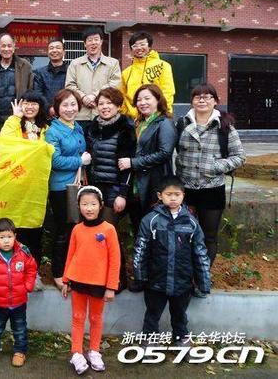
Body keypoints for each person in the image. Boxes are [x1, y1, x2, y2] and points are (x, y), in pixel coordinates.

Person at [175, 84, 245, 295]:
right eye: (197, 97)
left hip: (212, 189)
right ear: (192, 101)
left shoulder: (225, 127)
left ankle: (201, 276)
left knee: (209, 236)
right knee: (183, 234)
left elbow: (239, 156)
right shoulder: (182, 123)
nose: (202, 100)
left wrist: (215, 166)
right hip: (186, 189)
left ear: (215, 101)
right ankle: (184, 275)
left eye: (207, 97)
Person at [132, 176, 211, 344]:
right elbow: (140, 248)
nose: (173, 198)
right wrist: (140, 276)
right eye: (169, 194)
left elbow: (200, 252)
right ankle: (149, 341)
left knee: (180, 315)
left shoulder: (191, 222)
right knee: (152, 314)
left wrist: (203, 281)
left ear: (183, 195)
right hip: (156, 281)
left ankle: (181, 340)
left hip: (182, 281)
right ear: (160, 196)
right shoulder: (150, 220)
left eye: (177, 194)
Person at [61, 186, 120, 374]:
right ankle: (76, 353)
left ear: (101, 205)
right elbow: (70, 255)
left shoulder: (109, 229)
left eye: (93, 204)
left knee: (95, 318)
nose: (89, 208)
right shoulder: (77, 229)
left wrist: (111, 287)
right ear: (78, 206)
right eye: (84, 204)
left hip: (99, 283)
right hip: (77, 280)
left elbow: (115, 260)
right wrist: (65, 280)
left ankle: (94, 351)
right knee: (77, 317)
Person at [85, 87, 136, 289]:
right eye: (101, 103)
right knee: (95, 235)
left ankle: (118, 279)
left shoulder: (125, 127)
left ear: (118, 106)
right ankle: (99, 276)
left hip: (114, 188)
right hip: (95, 187)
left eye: (109, 103)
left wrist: (122, 193)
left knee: (108, 233)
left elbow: (127, 164)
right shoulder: (92, 126)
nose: (105, 107)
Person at [0, 90, 49, 289]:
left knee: (35, 231)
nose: (30, 107)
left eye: (34, 103)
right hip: (16, 187)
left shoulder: (46, 128)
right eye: (26, 103)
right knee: (15, 231)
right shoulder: (13, 125)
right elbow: (4, 142)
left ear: (40, 107)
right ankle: (13, 273)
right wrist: (15, 117)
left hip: (37, 188)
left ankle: (33, 274)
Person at [45, 89, 91, 290]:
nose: (70, 109)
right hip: (61, 187)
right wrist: (79, 161)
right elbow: (54, 161)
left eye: (73, 104)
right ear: (57, 108)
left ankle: (73, 269)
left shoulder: (77, 127)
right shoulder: (53, 131)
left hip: (78, 185)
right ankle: (58, 272)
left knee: (76, 229)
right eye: (65, 105)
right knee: (63, 230)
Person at [0, 218, 37, 368]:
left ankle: (20, 352)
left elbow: (31, 269)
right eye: (2, 237)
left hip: (19, 301)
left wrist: (28, 285)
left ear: (15, 236)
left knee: (20, 328)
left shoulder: (23, 252)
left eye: (9, 236)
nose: (6, 241)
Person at [118, 84, 176, 234]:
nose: (142, 103)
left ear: (158, 100)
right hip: (138, 184)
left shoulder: (164, 123)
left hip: (154, 183)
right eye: (139, 100)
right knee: (139, 227)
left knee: (154, 228)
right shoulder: (139, 122)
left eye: (147, 98)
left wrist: (133, 163)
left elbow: (164, 153)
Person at [65, 27, 121, 132]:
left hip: (105, 114)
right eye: (89, 40)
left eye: (96, 39)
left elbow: (115, 84)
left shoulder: (113, 63)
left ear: (101, 41)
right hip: (80, 115)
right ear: (85, 44)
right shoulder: (75, 64)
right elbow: (69, 86)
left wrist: (95, 96)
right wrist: (84, 98)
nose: (93, 43)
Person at [0, 33, 33, 129]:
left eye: (9, 46)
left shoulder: (25, 66)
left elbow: (31, 91)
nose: (6, 49)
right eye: (3, 46)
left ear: (14, 47)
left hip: (18, 117)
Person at [120, 31, 175, 119]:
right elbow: (122, 96)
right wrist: (126, 114)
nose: (139, 48)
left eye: (142, 44)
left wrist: (160, 113)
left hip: (158, 117)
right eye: (135, 46)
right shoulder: (126, 72)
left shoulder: (163, 66)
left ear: (149, 46)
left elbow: (168, 92)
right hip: (134, 120)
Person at [33, 38, 68, 118]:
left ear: (64, 52)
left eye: (58, 48)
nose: (54, 50)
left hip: (67, 112)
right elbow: (38, 94)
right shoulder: (39, 72)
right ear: (48, 53)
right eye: (51, 48)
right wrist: (49, 108)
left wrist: (61, 107)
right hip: (45, 115)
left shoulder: (71, 71)